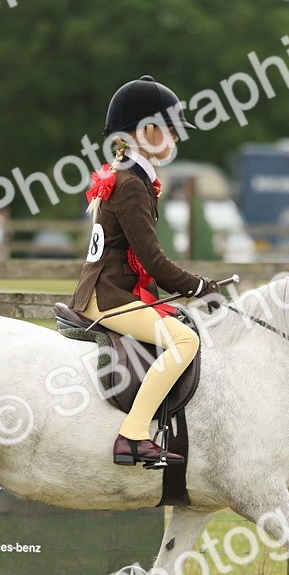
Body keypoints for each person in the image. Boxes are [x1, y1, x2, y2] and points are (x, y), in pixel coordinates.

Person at [70, 75, 220, 467]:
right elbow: (153, 260)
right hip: (110, 298)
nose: (176, 140)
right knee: (185, 342)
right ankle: (134, 435)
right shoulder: (131, 185)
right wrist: (199, 285)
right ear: (148, 131)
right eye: (171, 131)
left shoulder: (121, 174)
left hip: (109, 291)